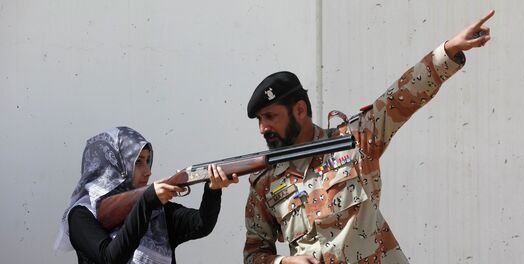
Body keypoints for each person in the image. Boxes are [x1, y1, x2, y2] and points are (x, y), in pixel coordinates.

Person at [243, 10, 495, 264]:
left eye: (270, 117)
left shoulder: (354, 141)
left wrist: (449, 49)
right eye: (260, 120)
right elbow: (254, 255)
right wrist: (283, 262)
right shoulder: (265, 182)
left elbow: (401, 98)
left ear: (299, 110)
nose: (263, 128)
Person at [54, 126, 238, 263]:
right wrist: (146, 202)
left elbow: (201, 225)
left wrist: (213, 190)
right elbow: (110, 258)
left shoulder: (155, 207)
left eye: (148, 161)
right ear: (114, 166)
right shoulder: (82, 214)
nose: (148, 171)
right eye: (138, 162)